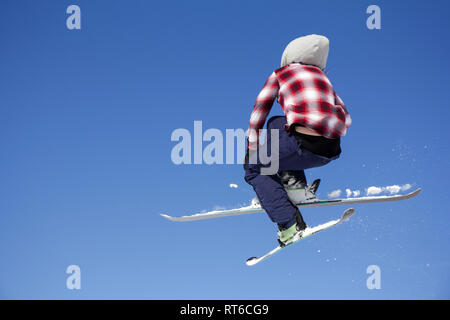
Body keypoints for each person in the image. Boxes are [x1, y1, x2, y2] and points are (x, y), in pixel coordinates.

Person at [244, 34, 351, 247]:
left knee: (254, 168)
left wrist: (252, 145)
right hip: (330, 149)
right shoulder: (324, 79)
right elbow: (345, 116)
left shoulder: (281, 74)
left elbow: (260, 109)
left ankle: (289, 225)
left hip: (301, 144)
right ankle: (296, 189)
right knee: (276, 123)